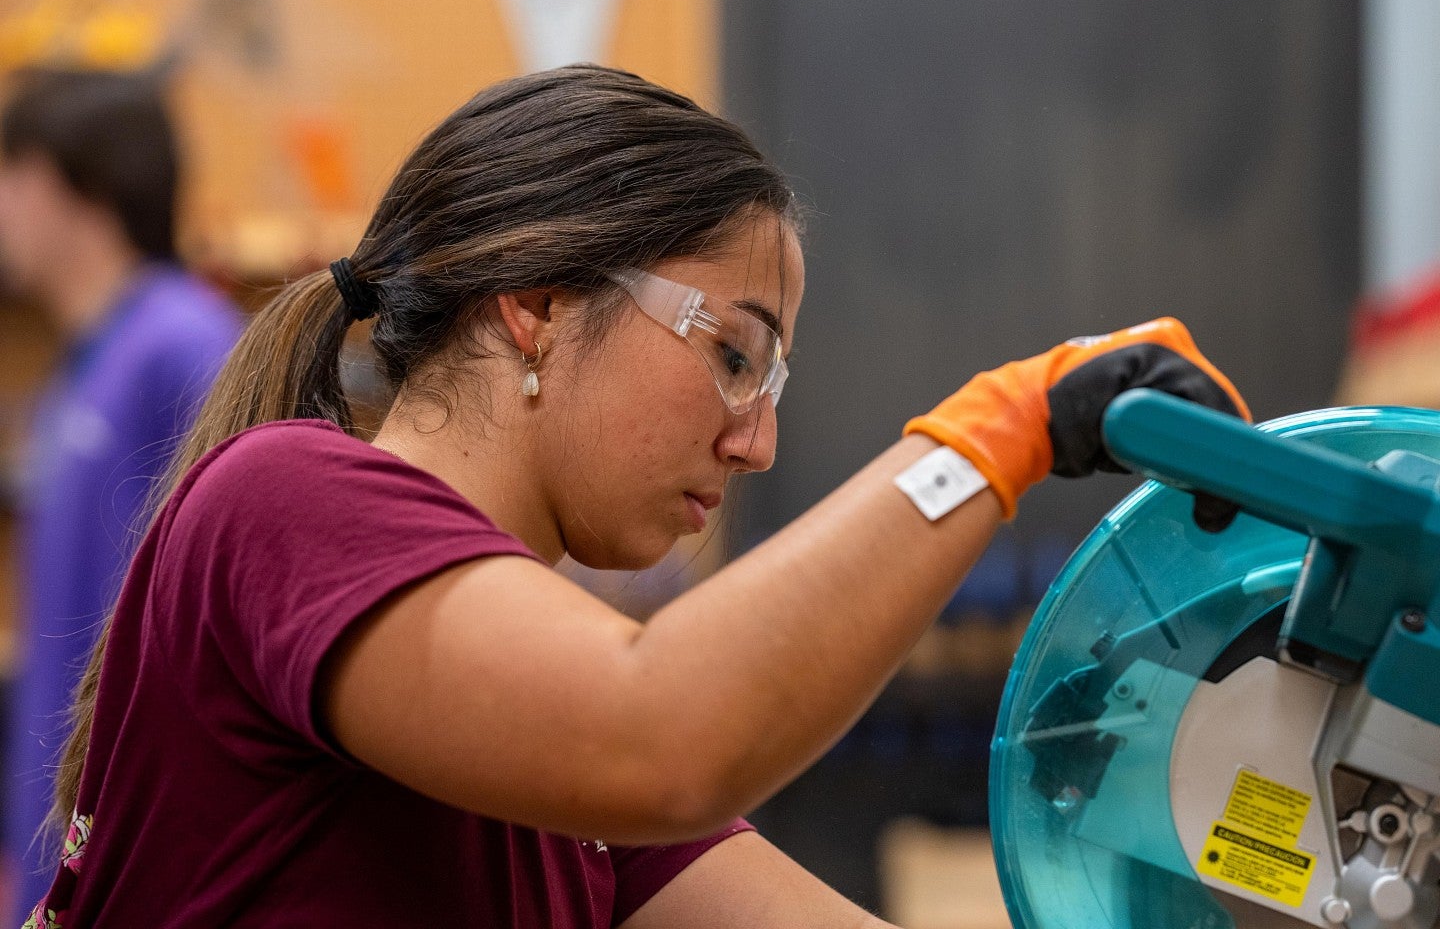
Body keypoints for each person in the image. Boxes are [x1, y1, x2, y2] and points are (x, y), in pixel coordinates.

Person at [23, 64, 1246, 927]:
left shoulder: (559, 789)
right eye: (733, 355)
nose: (759, 441)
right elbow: (667, 733)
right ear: (541, 306)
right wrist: (1006, 425)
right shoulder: (287, 498)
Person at [0, 68, 243, 923]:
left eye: (14, 171)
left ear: (82, 186)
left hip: (139, 850)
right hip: (53, 839)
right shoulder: (84, 363)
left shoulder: (184, 342)